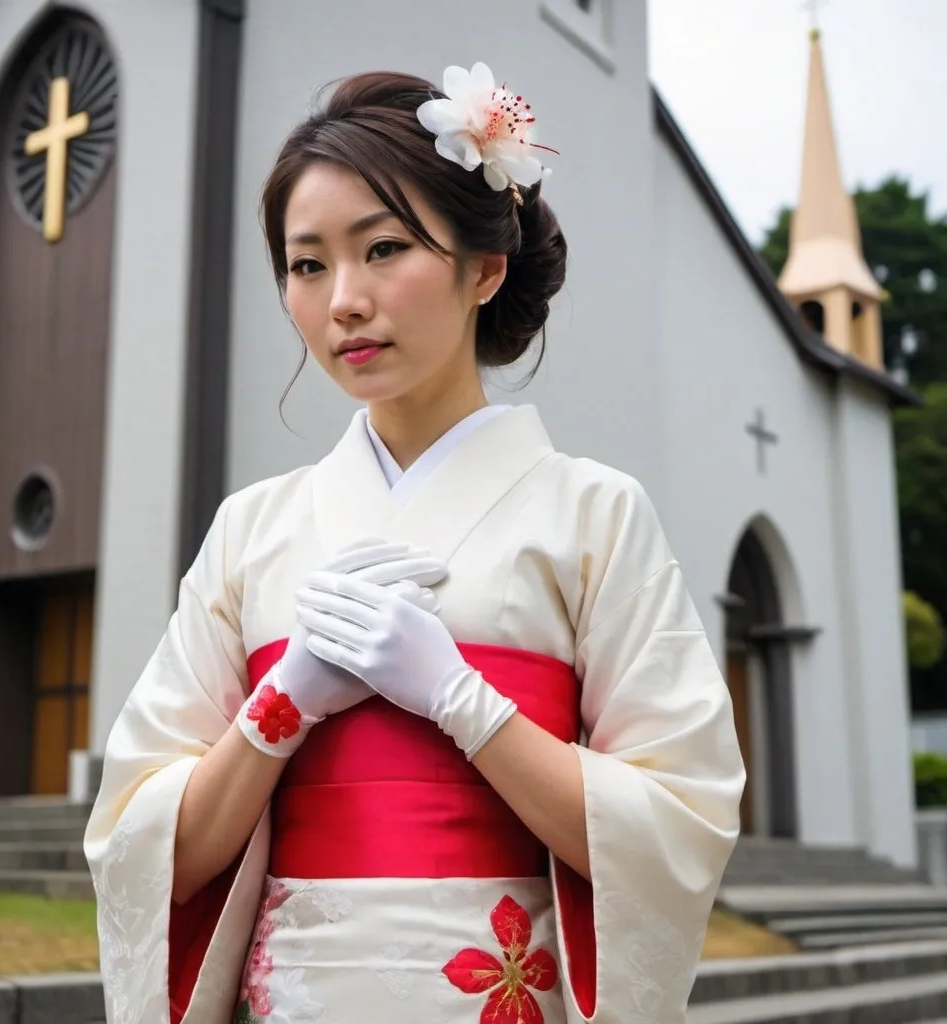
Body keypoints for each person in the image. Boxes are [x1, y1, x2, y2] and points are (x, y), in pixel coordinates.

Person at [85, 61, 745, 1024]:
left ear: (486, 267)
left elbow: (678, 822)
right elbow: (152, 854)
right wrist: (282, 704)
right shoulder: (250, 532)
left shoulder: (596, 515)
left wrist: (460, 700)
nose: (343, 300)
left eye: (383, 248)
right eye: (307, 265)